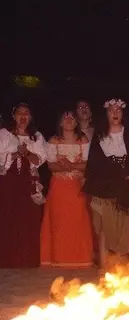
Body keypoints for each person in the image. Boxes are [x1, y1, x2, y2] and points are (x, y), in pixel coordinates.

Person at [83, 98, 129, 268]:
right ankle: (103, 266)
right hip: (104, 186)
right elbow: (93, 163)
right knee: (104, 227)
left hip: (124, 186)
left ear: (123, 113)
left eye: (118, 110)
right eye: (111, 110)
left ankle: (120, 266)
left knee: (124, 227)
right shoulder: (100, 136)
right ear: (106, 114)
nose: (115, 113)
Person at [40, 110, 93, 267]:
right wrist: (68, 168)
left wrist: (72, 166)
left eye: (72, 117)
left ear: (76, 122)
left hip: (77, 186)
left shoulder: (82, 140)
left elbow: (87, 164)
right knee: (58, 222)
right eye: (65, 117)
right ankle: (59, 257)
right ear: (61, 122)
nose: (69, 120)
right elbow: (50, 165)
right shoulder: (54, 140)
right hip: (59, 187)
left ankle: (80, 258)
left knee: (78, 220)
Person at [0, 103, 47, 268]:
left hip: (28, 182)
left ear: (31, 117)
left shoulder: (36, 137)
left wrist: (26, 153)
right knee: (8, 217)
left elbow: (39, 161)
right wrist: (14, 154)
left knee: (28, 219)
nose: (23, 116)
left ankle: (27, 259)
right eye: (19, 113)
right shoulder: (4, 135)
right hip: (8, 182)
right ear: (14, 116)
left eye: (26, 113)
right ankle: (7, 259)